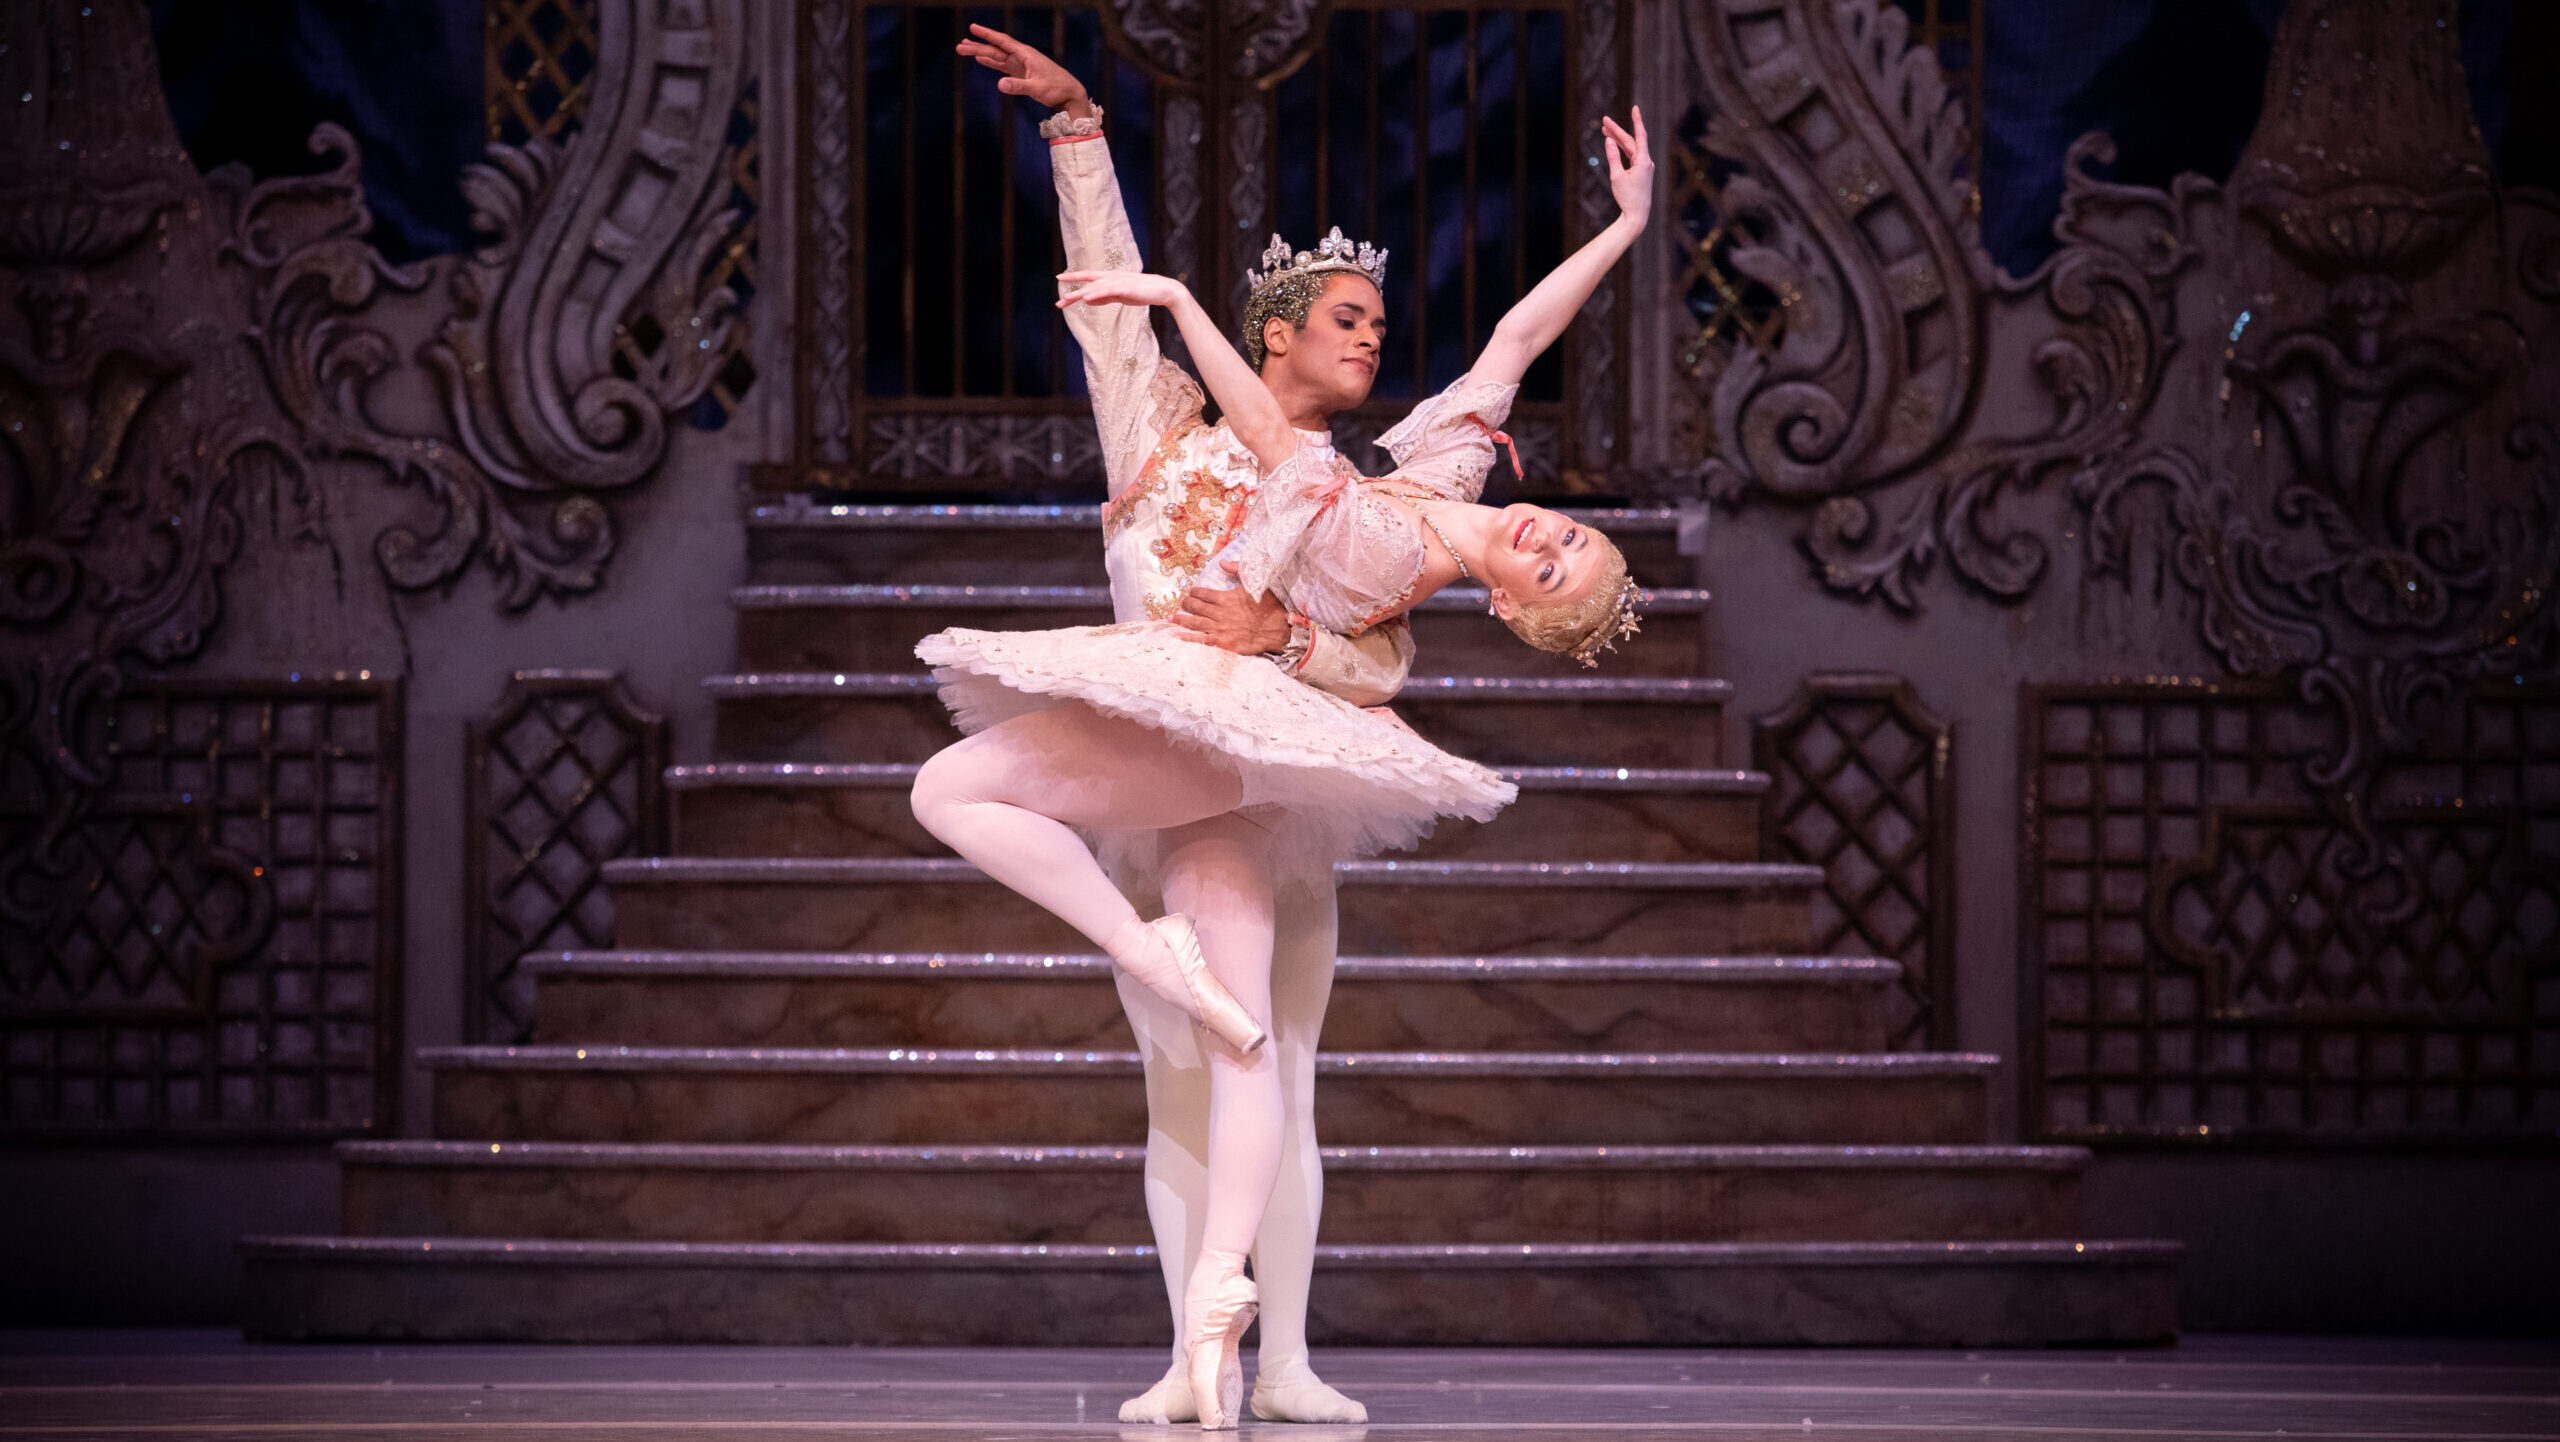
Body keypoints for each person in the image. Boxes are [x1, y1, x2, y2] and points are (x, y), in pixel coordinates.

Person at [927, 27, 1652, 1429]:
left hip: (1272, 780)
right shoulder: (1164, 442)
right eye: (1349, 320)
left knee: (1282, 1064)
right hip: (1149, 750)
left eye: (1381, 325)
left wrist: (1300, 639)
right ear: (1279, 335)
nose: (1375, 336)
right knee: (1178, 1074)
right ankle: (1189, 1344)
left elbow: (1375, 646)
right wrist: (1078, 133)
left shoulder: (1392, 482)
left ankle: (1284, 1352)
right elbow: (1110, 314)